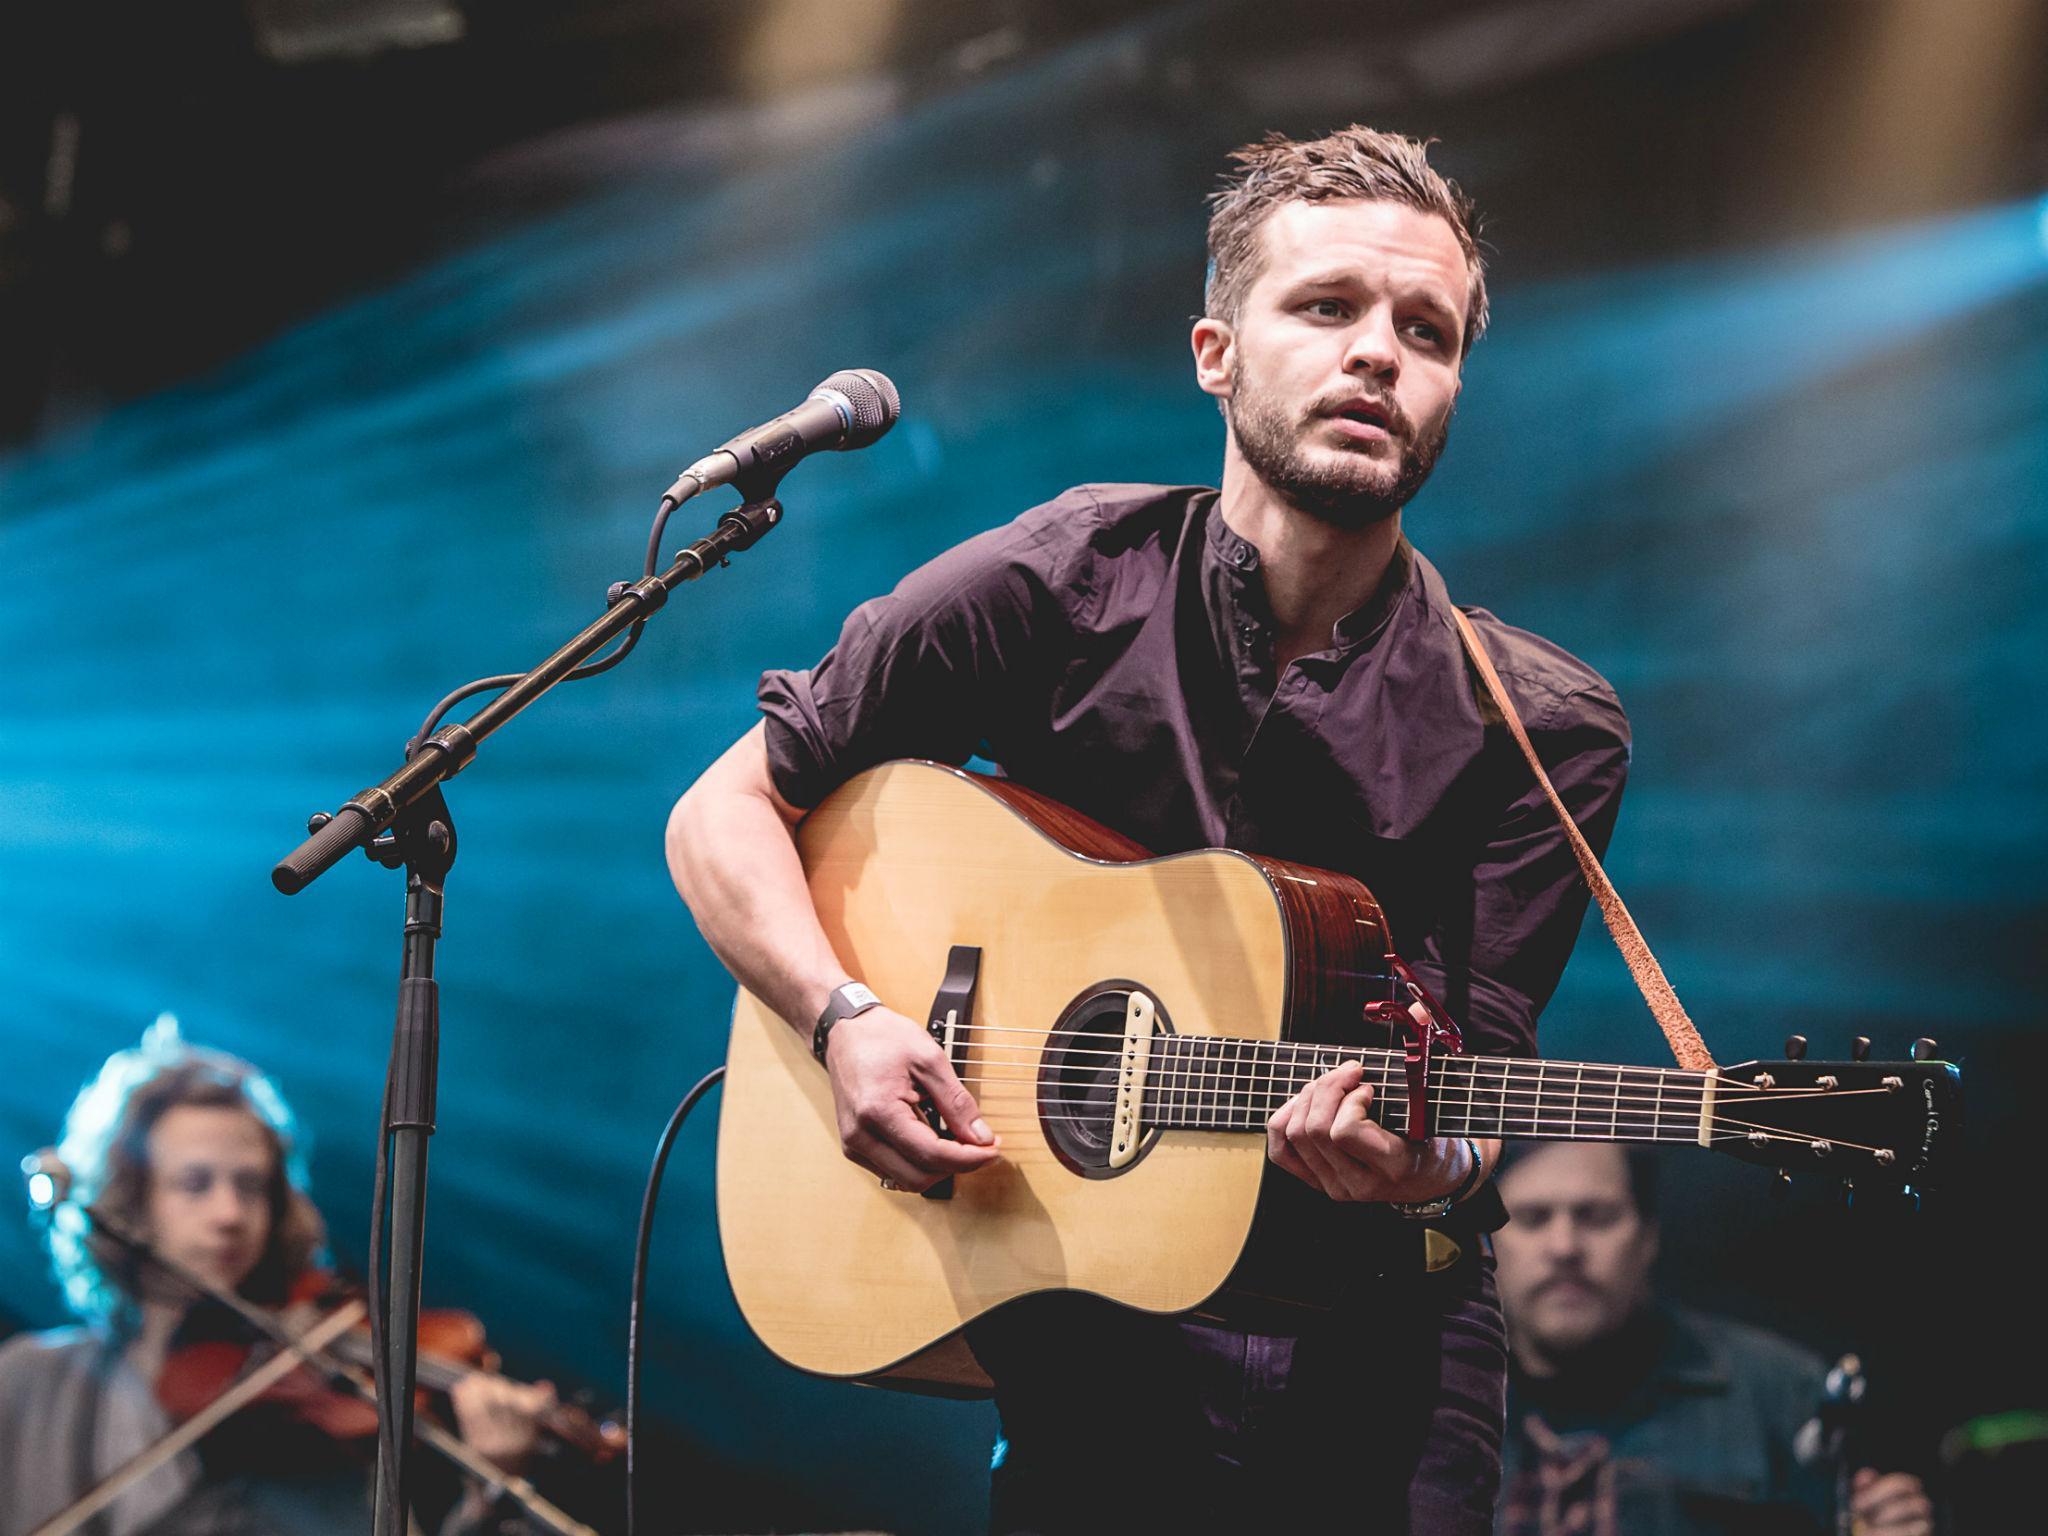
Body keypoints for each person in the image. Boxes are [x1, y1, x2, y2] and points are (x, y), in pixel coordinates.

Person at [668, 124, 1632, 1534]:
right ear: (1215, 353)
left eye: (1426, 331)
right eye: (1328, 308)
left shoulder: (1546, 730)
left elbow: (1480, 1069)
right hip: (1087, 1318)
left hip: (1380, 1346)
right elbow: (726, 809)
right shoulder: (1060, 579)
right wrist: (845, 1017)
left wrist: (1440, 1165)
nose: (1379, 354)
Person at [0, 1019, 560, 1536]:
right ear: (128, 1201)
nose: (229, 1215)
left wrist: (492, 1493)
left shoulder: (315, 1420)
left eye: (251, 1187)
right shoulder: (28, 1380)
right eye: (194, 1185)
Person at [1491, 1141, 1935, 1536]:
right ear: (1487, 1240)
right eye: (1531, 1219)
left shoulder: (1782, 1394)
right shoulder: (1434, 1401)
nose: (1565, 1246)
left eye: (1597, 1216)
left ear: (1649, 1236)